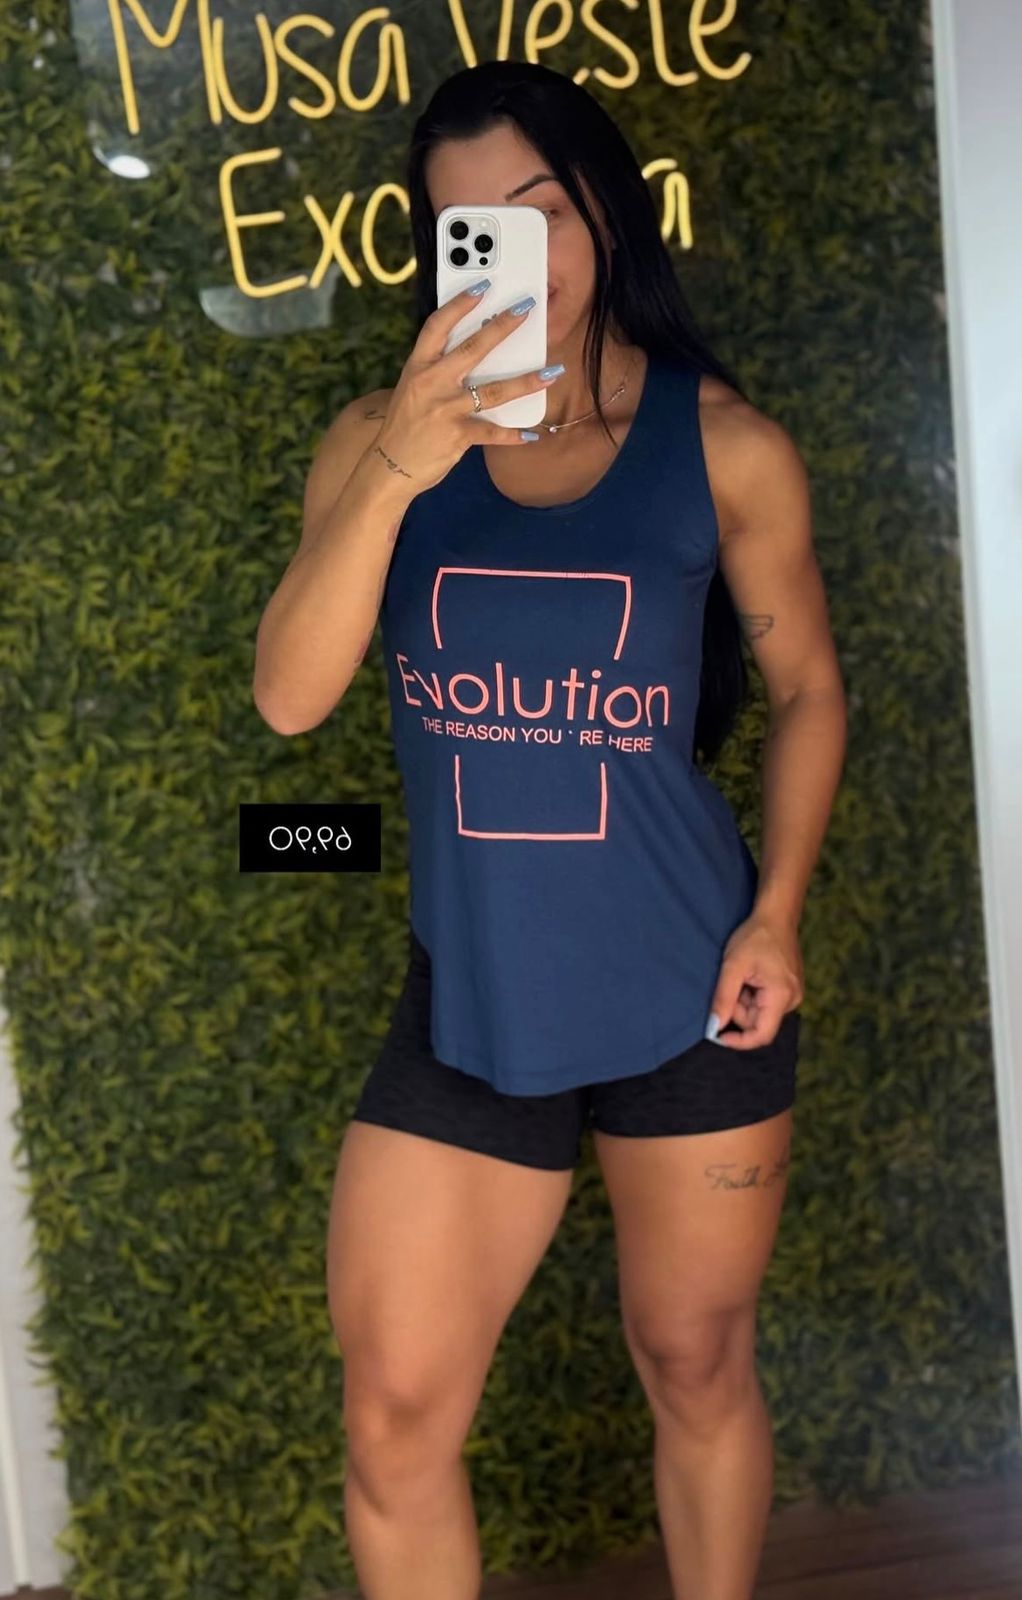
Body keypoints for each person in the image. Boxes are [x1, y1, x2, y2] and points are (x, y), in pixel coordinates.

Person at [253, 58, 846, 1600]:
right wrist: (403, 461)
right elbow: (290, 702)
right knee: (392, 1416)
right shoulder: (375, 444)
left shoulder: (724, 447)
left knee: (694, 1359)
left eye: (538, 211)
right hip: (474, 996)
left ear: (599, 209)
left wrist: (775, 913)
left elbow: (804, 691)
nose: (513, 251)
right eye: (469, 228)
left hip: (692, 987)